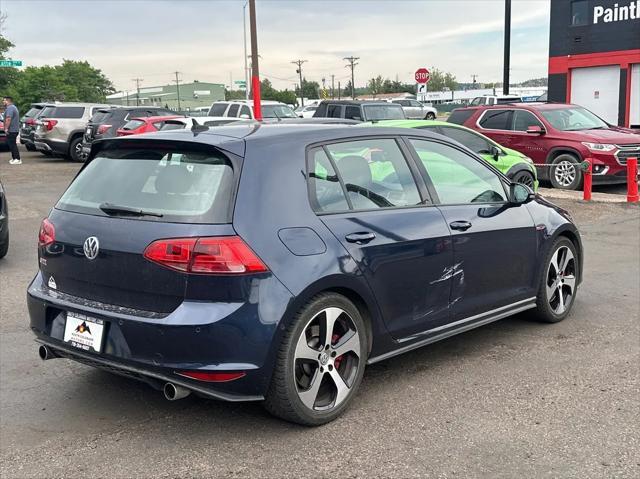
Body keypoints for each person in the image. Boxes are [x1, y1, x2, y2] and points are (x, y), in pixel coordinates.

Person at [3, 96, 21, 165]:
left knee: (12, 144)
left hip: (12, 130)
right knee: (11, 144)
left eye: (4, 100)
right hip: (14, 130)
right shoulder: (13, 107)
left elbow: (8, 119)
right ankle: (14, 158)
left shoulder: (10, 108)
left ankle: (17, 159)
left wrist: (6, 128)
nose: (3, 102)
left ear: (8, 101)